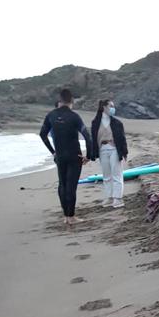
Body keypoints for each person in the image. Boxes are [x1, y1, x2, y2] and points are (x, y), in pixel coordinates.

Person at [40, 88, 93, 225]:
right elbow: (87, 136)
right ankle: (71, 216)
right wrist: (88, 155)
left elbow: (42, 135)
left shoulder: (51, 115)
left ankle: (65, 215)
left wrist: (53, 151)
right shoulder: (74, 116)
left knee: (62, 185)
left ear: (60, 100)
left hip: (60, 156)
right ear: (72, 101)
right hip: (74, 155)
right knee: (71, 186)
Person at [91, 99, 128, 208]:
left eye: (113, 106)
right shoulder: (96, 122)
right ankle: (109, 196)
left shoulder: (117, 123)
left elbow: (122, 138)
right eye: (110, 106)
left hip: (114, 149)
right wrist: (92, 153)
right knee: (106, 175)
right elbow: (93, 138)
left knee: (116, 173)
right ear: (104, 107)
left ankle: (118, 198)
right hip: (102, 149)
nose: (113, 108)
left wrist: (124, 152)